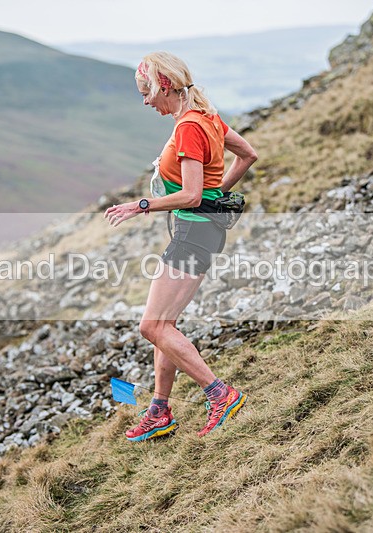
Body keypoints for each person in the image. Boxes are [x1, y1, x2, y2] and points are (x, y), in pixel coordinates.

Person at [104, 52, 258, 441]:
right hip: (201, 231)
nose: (145, 101)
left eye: (146, 93)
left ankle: (220, 394)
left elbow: (189, 195)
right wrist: (217, 194)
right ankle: (159, 410)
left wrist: (141, 205)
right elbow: (248, 154)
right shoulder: (206, 115)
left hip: (193, 233)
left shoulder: (191, 126)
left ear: (164, 86)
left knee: (152, 326)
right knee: (164, 324)